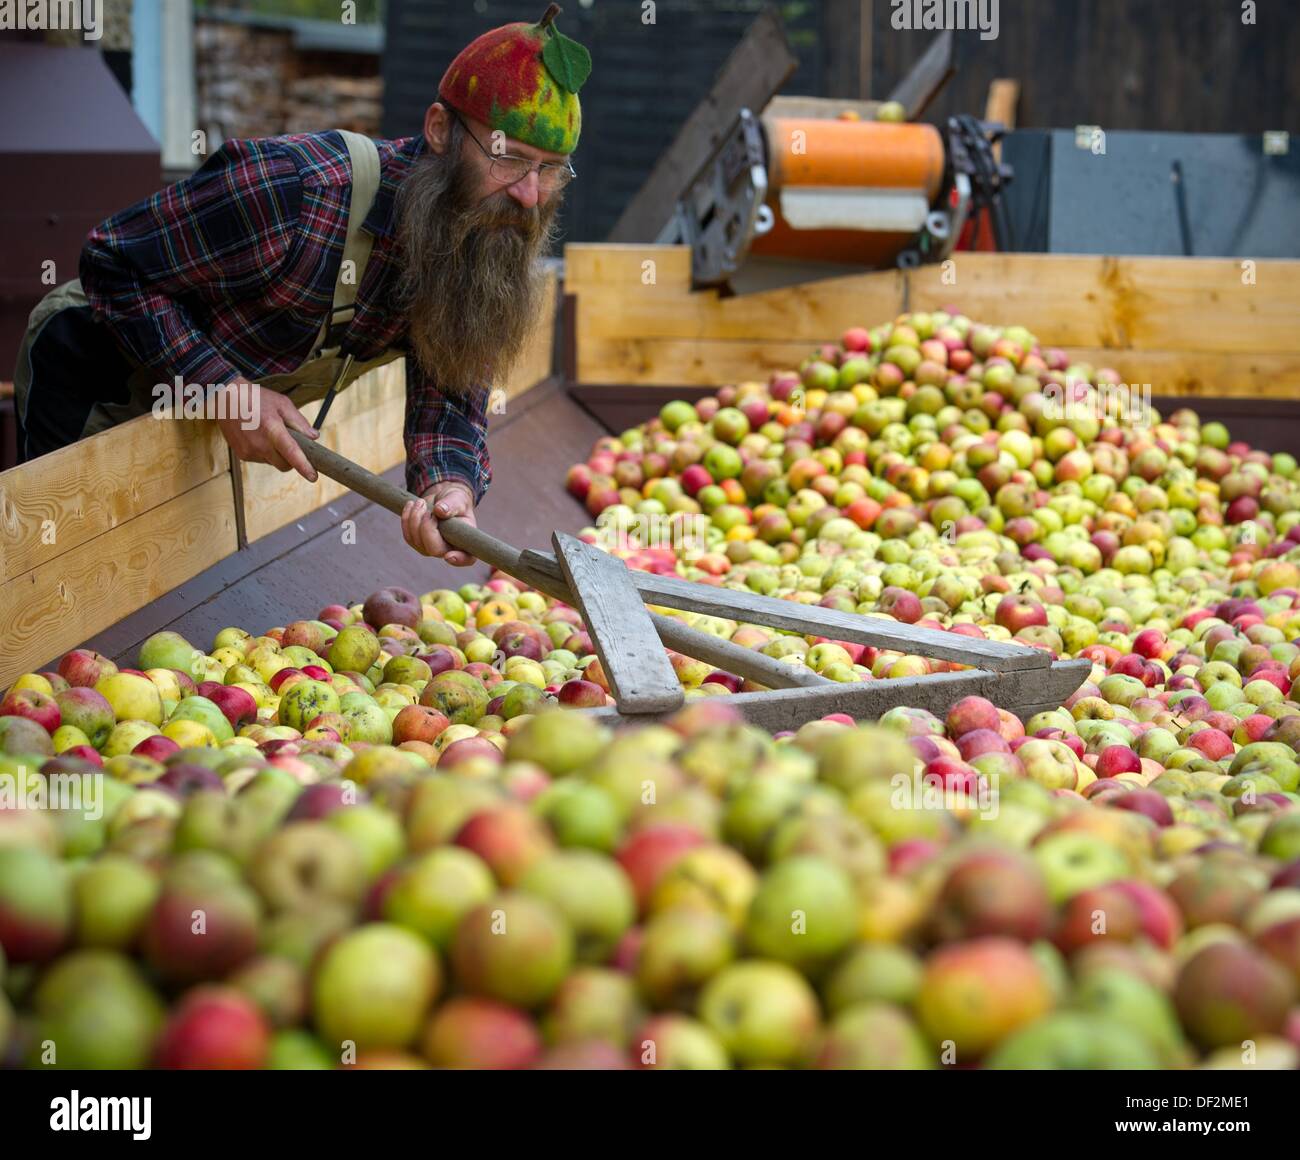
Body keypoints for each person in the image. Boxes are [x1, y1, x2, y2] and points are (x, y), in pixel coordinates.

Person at [13, 3, 588, 566]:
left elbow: (452, 388)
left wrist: (450, 486)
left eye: (551, 169)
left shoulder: (475, 241)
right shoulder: (300, 191)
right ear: (439, 129)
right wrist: (221, 387)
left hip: (196, 422)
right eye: (508, 158)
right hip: (95, 377)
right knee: (59, 583)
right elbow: (113, 260)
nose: (529, 194)